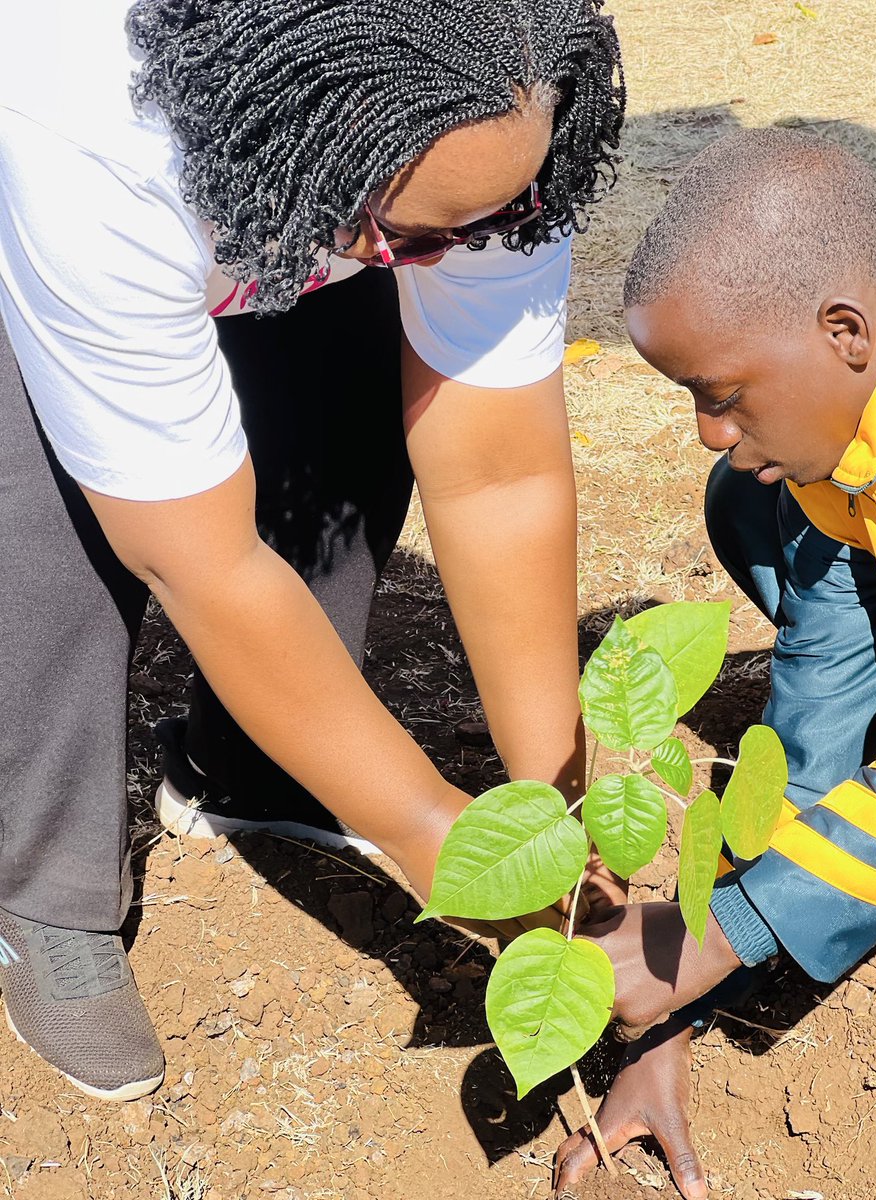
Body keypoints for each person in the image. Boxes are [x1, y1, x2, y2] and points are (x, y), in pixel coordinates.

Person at [0, 0, 627, 1102]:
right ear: (302, 127)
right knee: (48, 508)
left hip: (306, 194)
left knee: (351, 382)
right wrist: (432, 835)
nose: (476, 245)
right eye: (425, 231)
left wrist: (552, 811)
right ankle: (44, 891)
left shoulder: (504, 93)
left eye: (498, 214)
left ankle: (248, 766)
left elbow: (498, 474)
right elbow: (198, 558)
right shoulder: (90, 131)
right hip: (41, 230)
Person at [554, 127, 876, 1197]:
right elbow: (819, 711)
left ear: (845, 332)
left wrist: (730, 929)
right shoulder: (856, 428)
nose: (705, 431)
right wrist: (674, 1001)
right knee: (754, 501)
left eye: (719, 393)